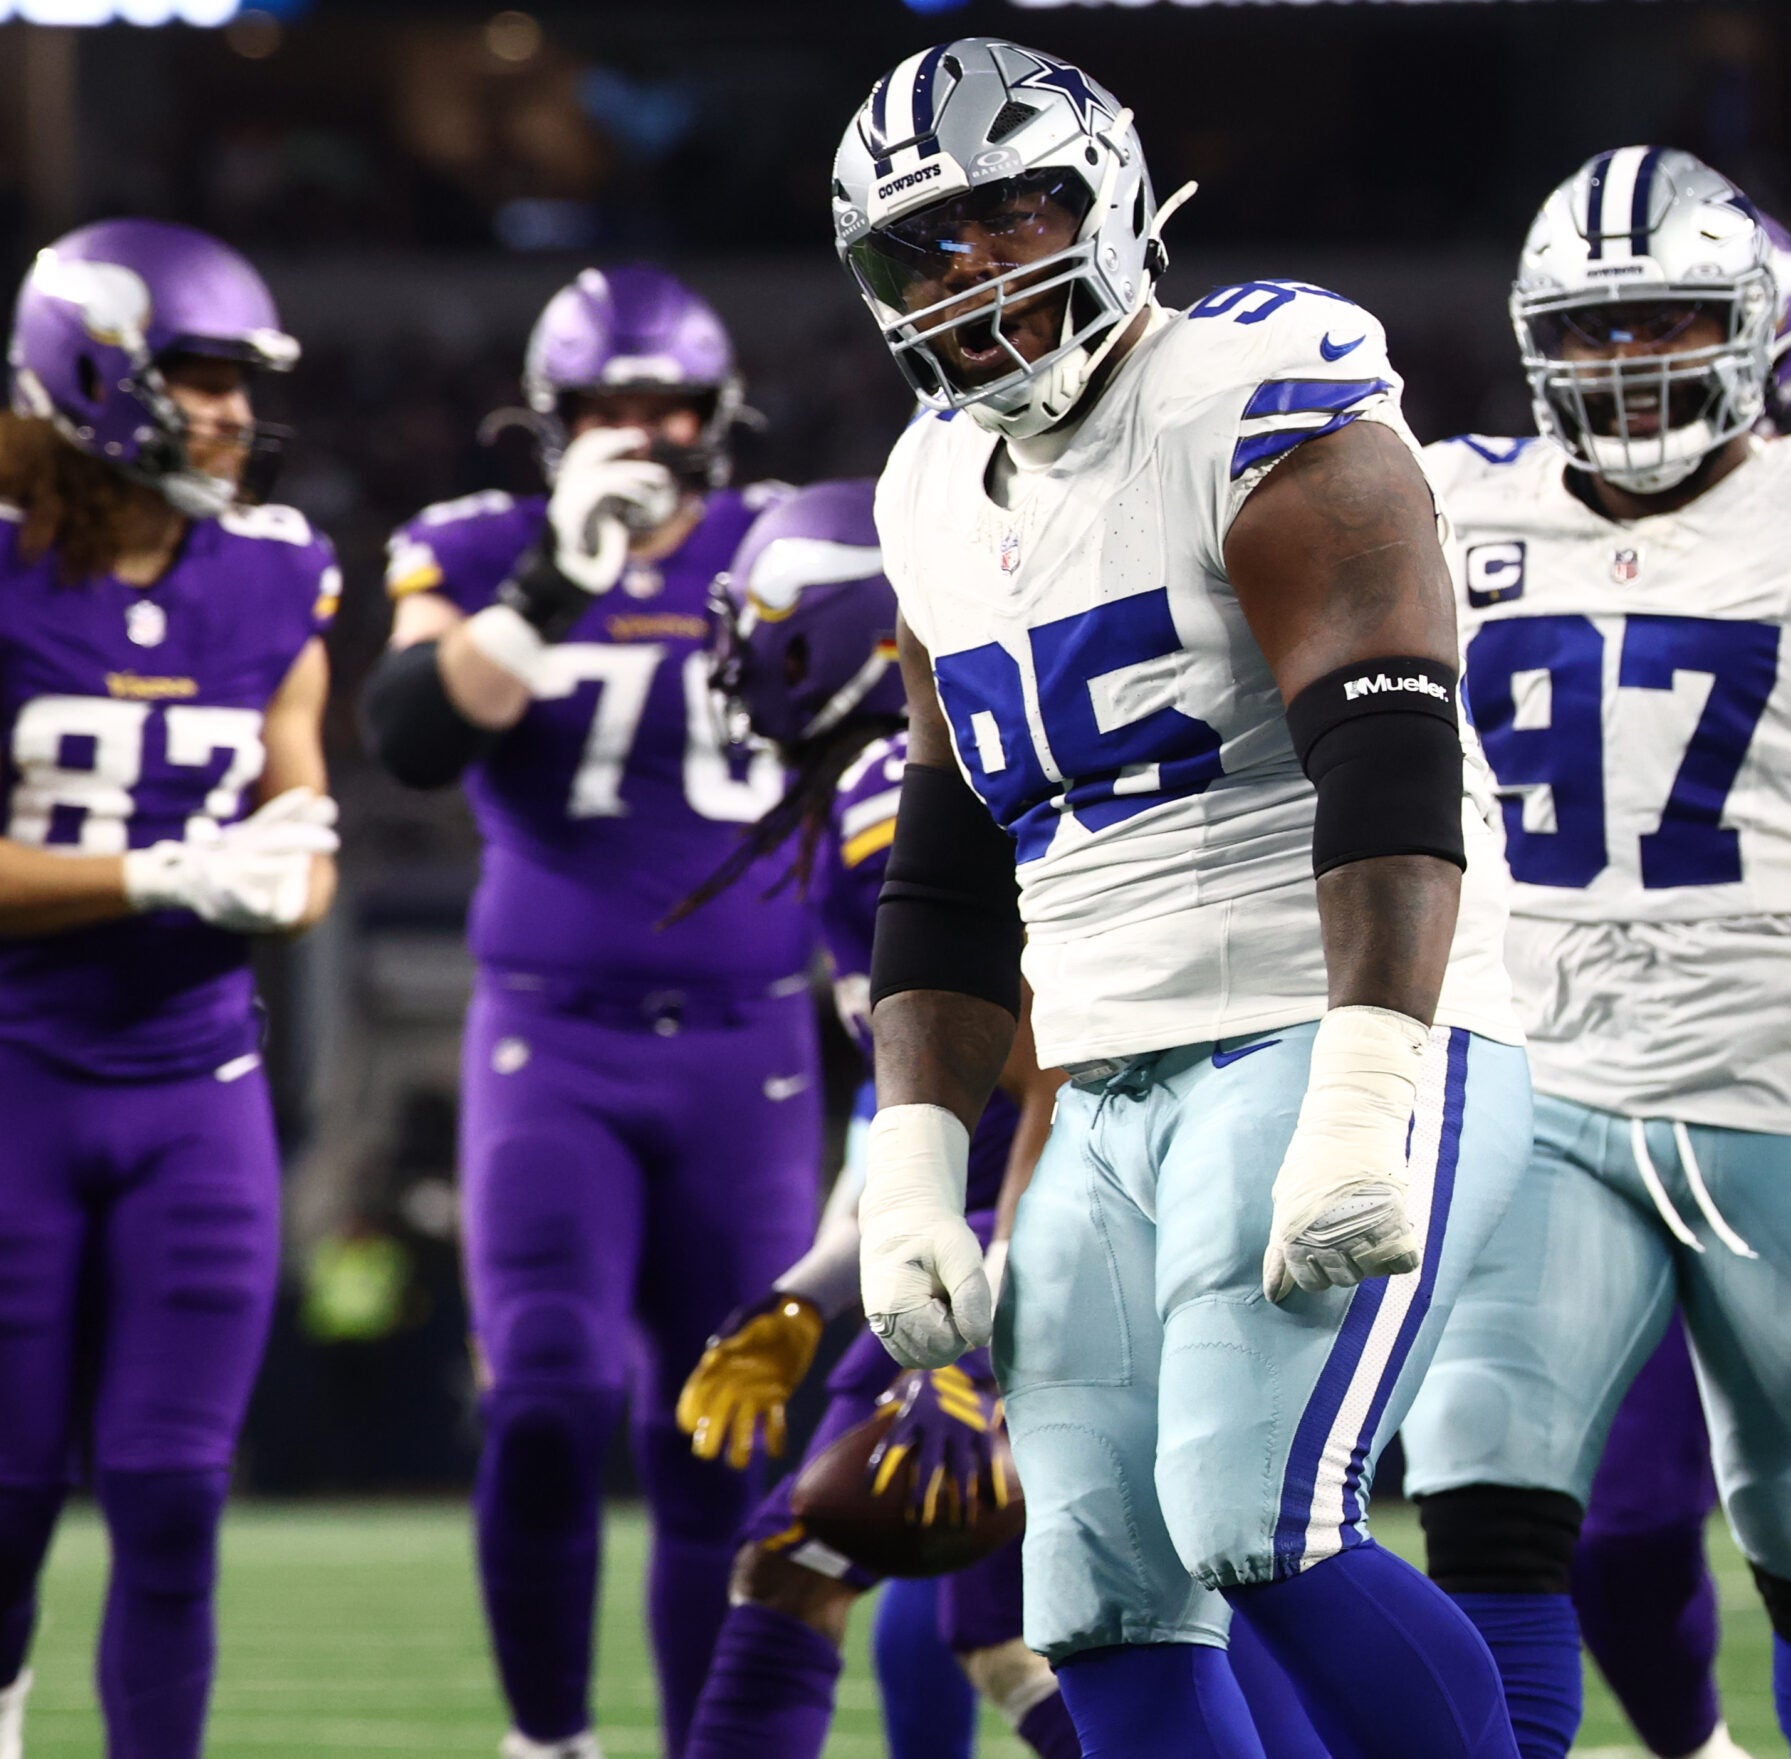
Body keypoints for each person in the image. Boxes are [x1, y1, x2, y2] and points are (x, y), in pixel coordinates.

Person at [832, 36, 1531, 1759]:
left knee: (1253, 1509)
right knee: (1097, 1585)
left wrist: (1371, 1079)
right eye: (929, 242)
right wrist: (911, 1155)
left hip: (1323, 1008)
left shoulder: (1260, 384)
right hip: (1105, 1069)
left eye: (1012, 214)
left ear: (1115, 199)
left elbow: (1387, 752)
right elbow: (949, 850)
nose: (973, 267)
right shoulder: (926, 484)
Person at [1406, 149, 1791, 1759]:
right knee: (1485, 1496)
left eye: (1666, 318)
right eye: (1592, 327)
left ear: (1758, 328)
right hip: (1535, 1070)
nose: (1628, 360)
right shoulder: (1447, 495)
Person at [359, 266, 819, 1759]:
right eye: (608, 406)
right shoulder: (482, 543)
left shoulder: (791, 542)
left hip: (751, 1047)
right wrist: (557, 575)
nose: (639, 431)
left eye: (665, 404)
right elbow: (415, 735)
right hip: (550, 1039)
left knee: (723, 1433)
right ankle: (547, 1738)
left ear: (716, 414)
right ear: (551, 422)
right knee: (545, 1396)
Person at [656, 478, 1078, 1759]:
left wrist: (984, 1334)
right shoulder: (865, 798)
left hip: (1056, 1218)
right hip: (1016, 1216)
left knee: (806, 1557)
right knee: (1023, 1630)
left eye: (762, 630)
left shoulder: (893, 796)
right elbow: (906, 1127)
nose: (737, 667)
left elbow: (1058, 1059)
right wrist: (806, 1293)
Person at [0, 218, 339, 1759]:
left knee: (171, 1488)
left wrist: (287, 869)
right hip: (16, 1078)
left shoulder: (275, 572)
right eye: (192, 377)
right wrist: (153, 876)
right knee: (5, 1493)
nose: (223, 412)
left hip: (197, 1086)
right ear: (86, 375)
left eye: (234, 381)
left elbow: (301, 824)